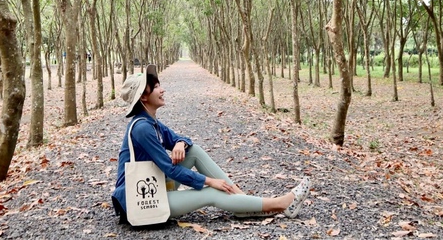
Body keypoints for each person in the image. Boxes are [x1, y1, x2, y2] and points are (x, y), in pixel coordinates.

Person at [112, 64, 310, 223]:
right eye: (155, 87)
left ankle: (244, 203)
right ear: (144, 97)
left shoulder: (151, 121)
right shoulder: (142, 128)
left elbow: (185, 141)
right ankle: (279, 204)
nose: (162, 90)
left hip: (156, 184)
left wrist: (180, 143)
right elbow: (169, 169)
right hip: (139, 200)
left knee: (194, 151)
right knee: (212, 192)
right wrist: (208, 180)